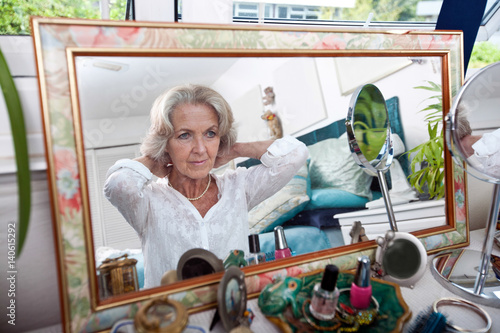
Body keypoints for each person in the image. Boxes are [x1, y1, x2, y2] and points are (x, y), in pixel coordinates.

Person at [104, 84, 308, 288]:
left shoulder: (238, 186)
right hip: (173, 316)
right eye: (185, 135)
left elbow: (296, 154)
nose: (201, 149)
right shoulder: (148, 200)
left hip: (232, 312)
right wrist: (152, 160)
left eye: (210, 133)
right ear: (165, 142)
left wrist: (234, 149)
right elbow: (119, 185)